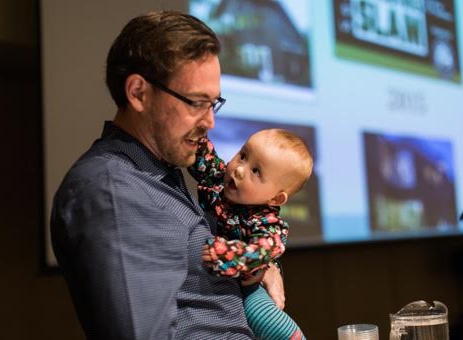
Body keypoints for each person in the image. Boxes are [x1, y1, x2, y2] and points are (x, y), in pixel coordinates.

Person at [50, 11, 285, 339]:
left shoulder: (159, 174)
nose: (209, 122)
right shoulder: (112, 190)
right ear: (138, 93)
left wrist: (262, 264)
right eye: (196, 103)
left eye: (213, 104)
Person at [188, 129, 313, 339]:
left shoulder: (267, 222)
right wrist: (196, 135)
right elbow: (203, 157)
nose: (239, 170)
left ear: (276, 199)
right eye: (243, 155)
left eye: (256, 171)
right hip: (212, 286)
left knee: (263, 313)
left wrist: (230, 255)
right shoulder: (219, 180)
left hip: (246, 281)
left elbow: (264, 249)